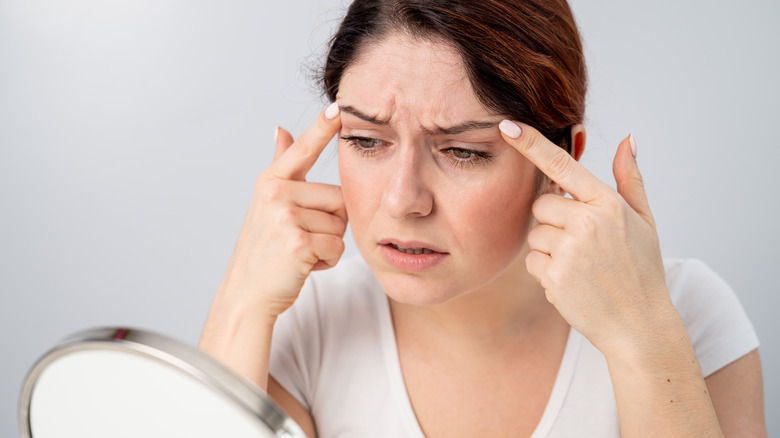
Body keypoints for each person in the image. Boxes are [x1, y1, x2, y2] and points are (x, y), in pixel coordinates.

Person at [199, 0, 766, 436]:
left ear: (558, 161)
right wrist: (241, 301)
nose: (403, 201)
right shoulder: (307, 324)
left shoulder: (685, 314)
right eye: (366, 141)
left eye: (463, 152)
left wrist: (641, 335)